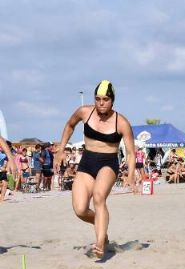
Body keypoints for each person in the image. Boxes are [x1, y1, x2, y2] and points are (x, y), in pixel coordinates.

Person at [54, 80, 136, 259]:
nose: (101, 103)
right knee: (80, 209)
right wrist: (61, 150)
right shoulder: (85, 112)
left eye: (105, 99)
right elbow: (69, 125)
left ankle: (100, 243)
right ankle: (102, 229)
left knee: (99, 197)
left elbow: (131, 153)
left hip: (108, 163)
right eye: (98, 99)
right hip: (87, 162)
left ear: (112, 100)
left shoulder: (121, 122)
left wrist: (131, 175)